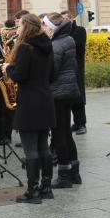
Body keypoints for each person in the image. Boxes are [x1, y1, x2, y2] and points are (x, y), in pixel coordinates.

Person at [3, 13, 56, 204]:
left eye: (19, 25)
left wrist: (7, 68)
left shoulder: (25, 47)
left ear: (26, 27)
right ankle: (46, 187)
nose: (17, 28)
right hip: (45, 100)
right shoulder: (47, 45)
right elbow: (53, 76)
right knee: (43, 146)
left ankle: (32, 191)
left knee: (30, 149)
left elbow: (20, 76)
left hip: (30, 103)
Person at [45, 13, 82, 188]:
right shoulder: (67, 39)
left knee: (59, 135)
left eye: (45, 26)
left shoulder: (56, 45)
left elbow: (52, 72)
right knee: (66, 133)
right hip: (68, 92)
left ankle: (64, 175)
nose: (43, 29)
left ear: (52, 28)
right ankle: (75, 172)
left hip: (58, 94)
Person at [62, 11, 88, 135]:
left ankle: (82, 123)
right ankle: (76, 123)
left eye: (66, 19)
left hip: (77, 68)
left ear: (71, 19)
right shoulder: (64, 32)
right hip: (67, 68)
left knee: (79, 98)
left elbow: (79, 46)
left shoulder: (79, 30)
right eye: (62, 20)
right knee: (70, 97)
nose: (64, 21)